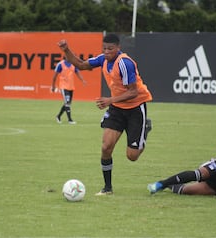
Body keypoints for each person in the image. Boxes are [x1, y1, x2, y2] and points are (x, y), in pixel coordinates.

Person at [58, 33, 153, 195]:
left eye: (110, 49)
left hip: (135, 108)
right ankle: (107, 188)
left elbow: (133, 92)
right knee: (106, 147)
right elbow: (81, 65)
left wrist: (109, 100)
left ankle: (146, 129)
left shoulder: (125, 63)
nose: (107, 52)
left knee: (132, 156)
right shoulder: (103, 59)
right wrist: (66, 50)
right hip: (117, 109)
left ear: (118, 48)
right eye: (104, 48)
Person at [51, 57, 87, 124]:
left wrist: (82, 80)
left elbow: (77, 72)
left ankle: (58, 116)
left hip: (71, 87)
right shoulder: (60, 64)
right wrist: (53, 86)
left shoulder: (73, 64)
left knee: (67, 103)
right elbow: (54, 76)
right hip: (63, 87)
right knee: (67, 103)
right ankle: (70, 120)